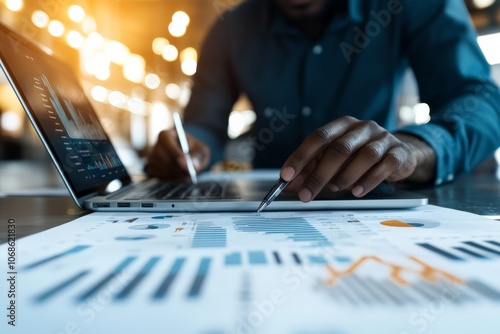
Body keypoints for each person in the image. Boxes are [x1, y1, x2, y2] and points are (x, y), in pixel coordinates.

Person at [147, 0, 500, 203]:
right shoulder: (231, 28)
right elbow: (205, 124)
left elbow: (481, 100)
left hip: (374, 197)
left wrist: (415, 149)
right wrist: (189, 148)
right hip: (271, 203)